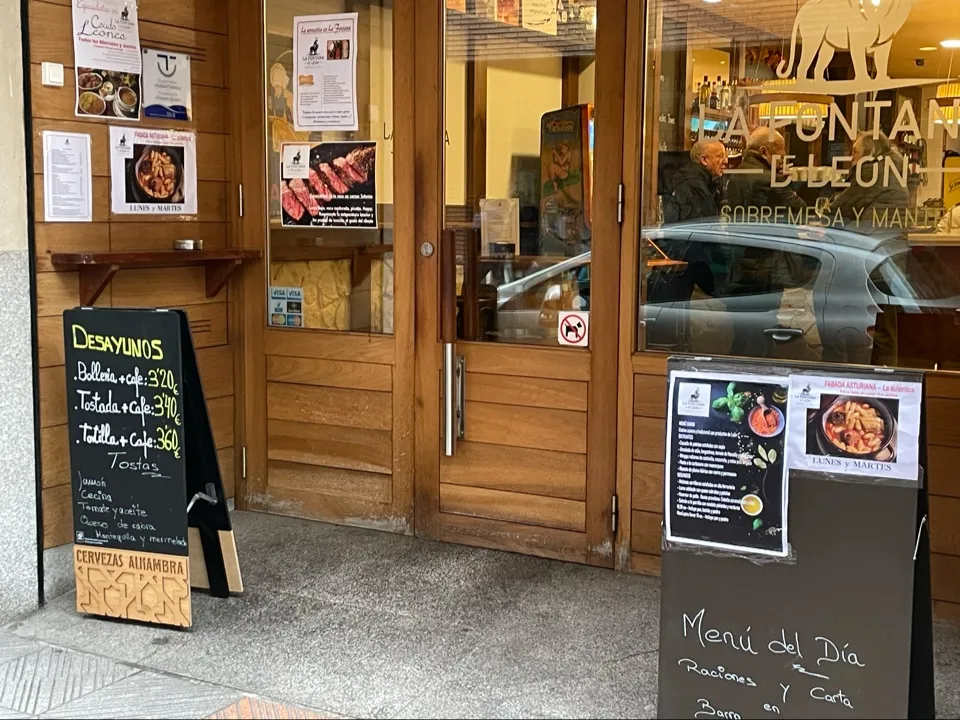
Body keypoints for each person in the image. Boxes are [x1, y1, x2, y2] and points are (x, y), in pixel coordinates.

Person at [829, 132, 908, 235]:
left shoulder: (871, 172)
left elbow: (843, 206)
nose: (851, 158)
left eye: (855, 152)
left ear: (870, 153)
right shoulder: (889, 168)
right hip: (889, 237)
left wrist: (822, 211)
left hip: (871, 237)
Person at [723, 128, 806, 216]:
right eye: (780, 149)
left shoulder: (734, 177)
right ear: (764, 152)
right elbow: (802, 210)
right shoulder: (774, 180)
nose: (783, 154)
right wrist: (787, 182)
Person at [662, 139, 728, 223]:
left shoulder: (701, 182)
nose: (726, 161)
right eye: (720, 156)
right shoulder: (694, 185)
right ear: (704, 160)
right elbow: (700, 228)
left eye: (725, 156)